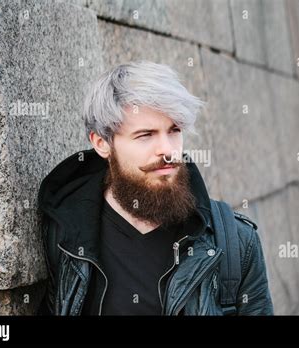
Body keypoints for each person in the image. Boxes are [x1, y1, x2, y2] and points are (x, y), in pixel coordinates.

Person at [38, 61, 273, 315]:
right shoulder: (65, 234)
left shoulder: (235, 242)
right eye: (145, 135)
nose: (168, 150)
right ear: (102, 143)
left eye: (174, 131)